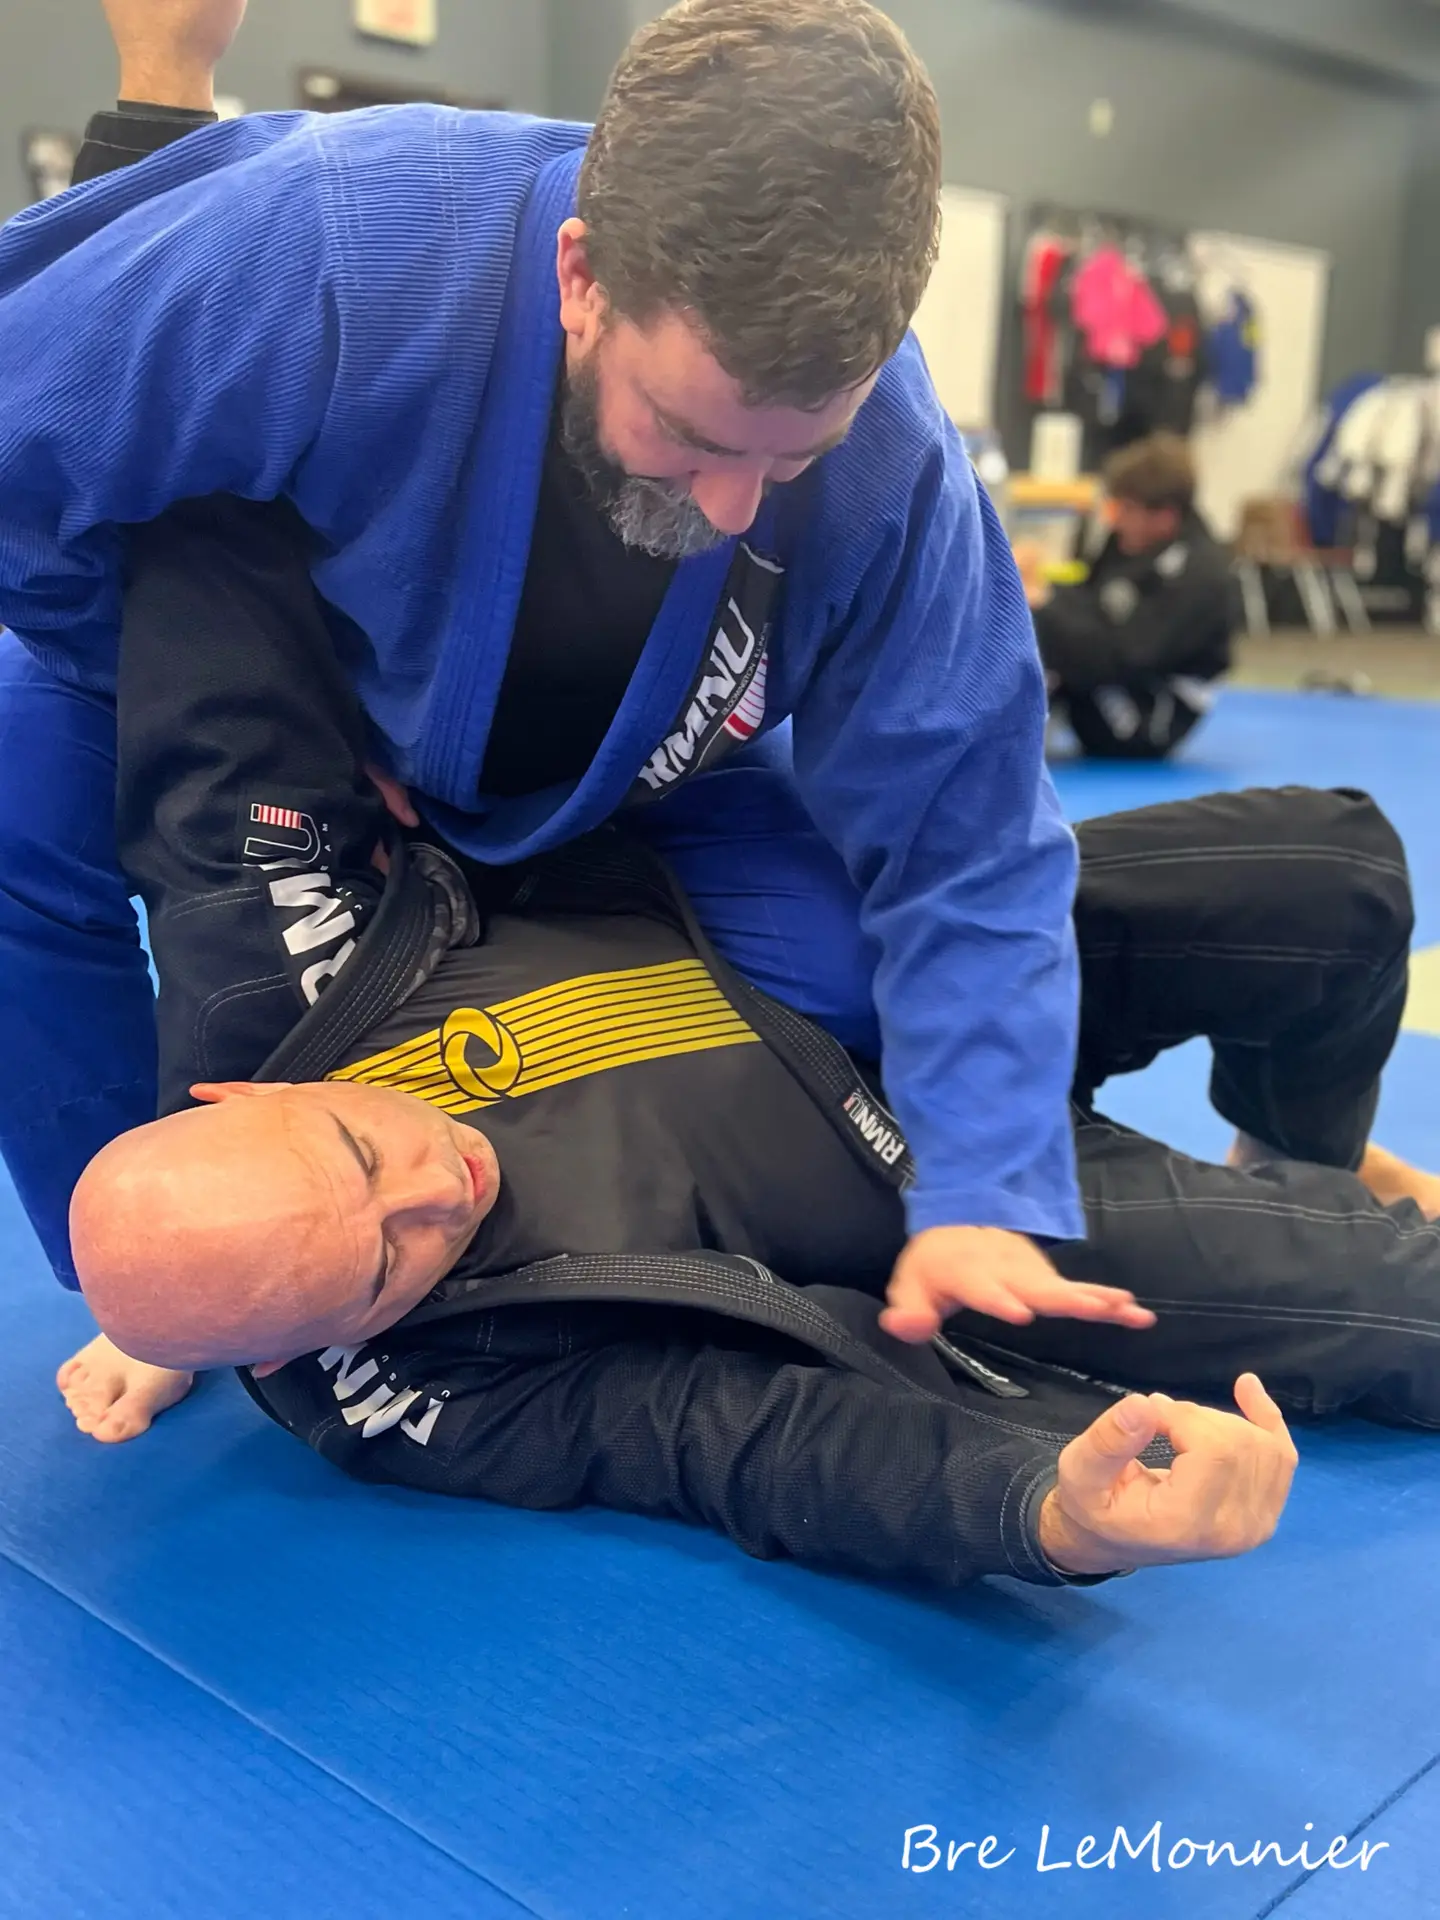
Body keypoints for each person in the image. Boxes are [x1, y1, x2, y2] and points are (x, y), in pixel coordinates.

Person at [60, 502, 1440, 1592]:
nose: (444, 1186)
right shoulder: (407, 1389)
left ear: (248, 1091)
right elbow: (736, 1444)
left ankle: (1291, 1151)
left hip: (902, 975)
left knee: (1340, 870)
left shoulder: (272, 962)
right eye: (382, 1266)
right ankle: (1302, 1215)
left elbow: (212, 595)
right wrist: (1046, 1513)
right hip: (937, 1212)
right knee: (1411, 1312)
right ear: (305, 1348)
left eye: (364, 1149)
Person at [0, 0, 1082, 1351]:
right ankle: (147, 1299)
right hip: (275, 667)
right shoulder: (332, 249)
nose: (741, 505)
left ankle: (498, 934)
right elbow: (22, 460)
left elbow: (970, 834)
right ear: (581, 279)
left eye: (791, 456)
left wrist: (982, 1183)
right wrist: (235, 709)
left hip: (601, 769)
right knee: (17, 784)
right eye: (692, 437)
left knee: (848, 971)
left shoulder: (897, 457)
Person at [1031, 433, 1238, 760]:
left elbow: (1130, 654)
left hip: (1154, 711)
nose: (1117, 520)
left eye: (1126, 510)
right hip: (1118, 670)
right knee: (1027, 615)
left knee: (1043, 632)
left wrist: (1045, 612)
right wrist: (1037, 593)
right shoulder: (1124, 544)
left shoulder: (1202, 576)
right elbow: (1089, 601)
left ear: (1164, 517)